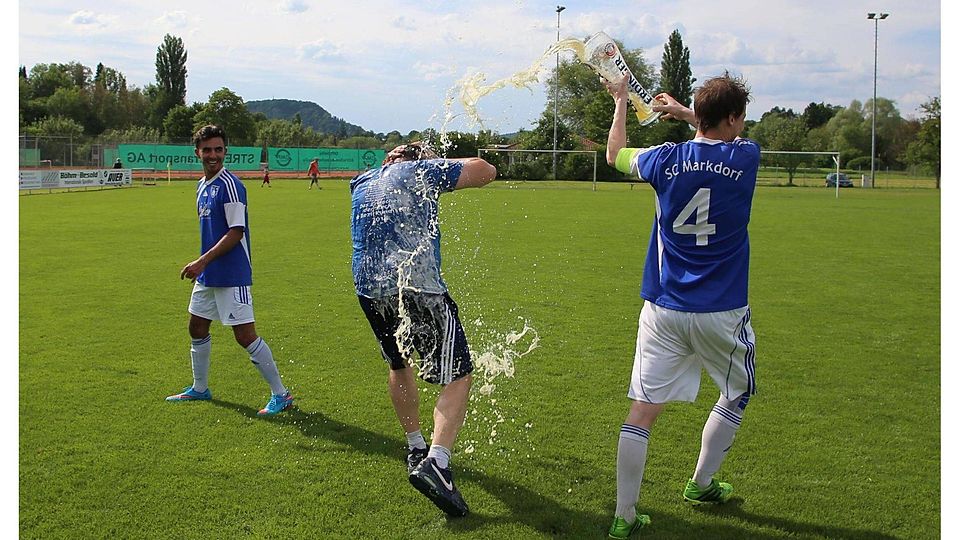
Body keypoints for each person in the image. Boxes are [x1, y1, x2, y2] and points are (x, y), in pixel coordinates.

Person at [603, 73, 760, 539]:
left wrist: (620, 103)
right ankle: (701, 484)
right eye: (740, 118)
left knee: (642, 412)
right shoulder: (745, 157)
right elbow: (721, 139)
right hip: (721, 310)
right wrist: (692, 115)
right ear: (732, 118)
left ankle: (624, 515)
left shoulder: (663, 160)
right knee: (736, 392)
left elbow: (614, 157)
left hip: (664, 307)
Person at [350, 143, 497, 517]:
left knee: (399, 365)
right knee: (460, 374)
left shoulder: (362, 181)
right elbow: (486, 170)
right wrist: (437, 163)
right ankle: (438, 461)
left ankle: (415, 444)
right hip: (417, 287)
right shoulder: (417, 172)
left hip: (369, 289)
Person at [166, 124, 294, 417]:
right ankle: (200, 388)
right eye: (208, 150)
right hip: (209, 273)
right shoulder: (203, 185)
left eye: (219, 149)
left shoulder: (231, 185)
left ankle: (281, 394)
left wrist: (202, 261)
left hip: (232, 272)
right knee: (196, 326)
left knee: (245, 335)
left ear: (225, 151)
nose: (213, 155)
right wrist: (204, 265)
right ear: (197, 152)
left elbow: (236, 232)